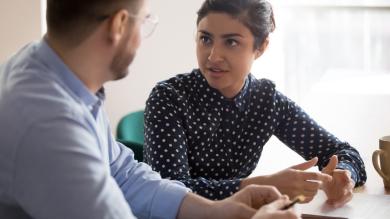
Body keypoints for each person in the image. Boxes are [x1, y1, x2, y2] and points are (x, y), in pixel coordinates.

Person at [0, 0, 301, 218]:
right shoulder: (48, 125)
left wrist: (216, 210)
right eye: (144, 21)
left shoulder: (51, 73)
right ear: (119, 25)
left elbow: (125, 175)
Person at [144, 0, 367, 207]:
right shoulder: (168, 98)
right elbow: (168, 193)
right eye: (205, 39)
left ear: (261, 47)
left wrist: (344, 175)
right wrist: (263, 186)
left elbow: (343, 152)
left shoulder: (266, 102)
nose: (213, 56)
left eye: (231, 42)